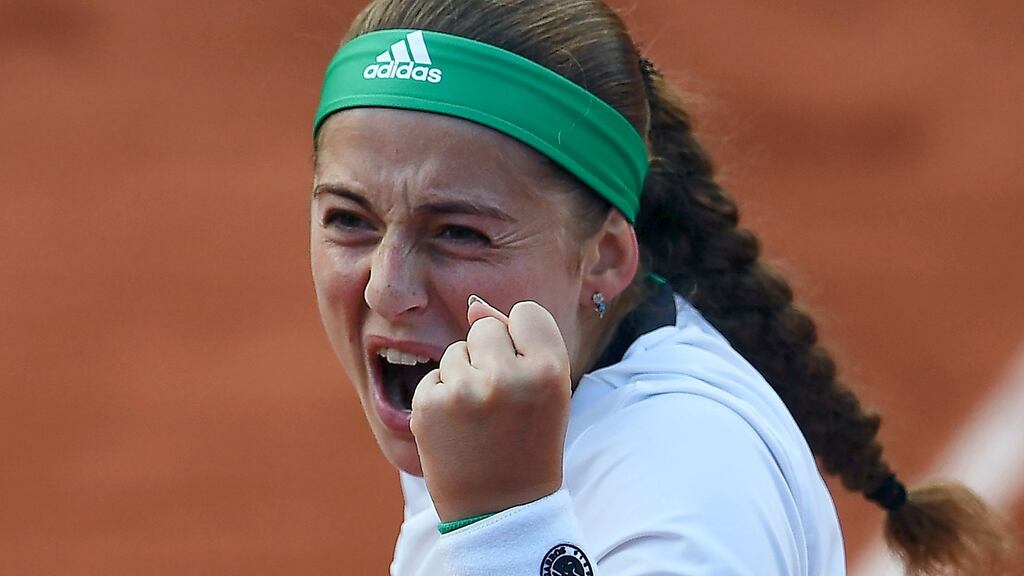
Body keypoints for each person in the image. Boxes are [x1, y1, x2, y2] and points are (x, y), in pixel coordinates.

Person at [309, 1, 1011, 574]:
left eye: (459, 233)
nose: (387, 288)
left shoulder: (691, 491)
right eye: (349, 220)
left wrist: (504, 528)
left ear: (607, 257)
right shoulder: (492, 402)